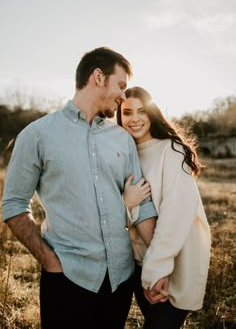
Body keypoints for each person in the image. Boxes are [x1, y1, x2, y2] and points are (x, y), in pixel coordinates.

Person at [1, 48, 158, 329]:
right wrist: (49, 261)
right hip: (66, 279)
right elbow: (13, 205)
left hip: (120, 279)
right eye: (120, 85)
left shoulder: (122, 139)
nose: (123, 96)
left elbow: (143, 204)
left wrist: (160, 263)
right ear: (98, 77)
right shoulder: (37, 135)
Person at [117, 86, 211, 329]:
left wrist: (157, 269)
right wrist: (126, 202)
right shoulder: (123, 155)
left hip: (173, 263)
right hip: (140, 264)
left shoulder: (170, 150)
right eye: (127, 112)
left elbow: (175, 217)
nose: (135, 119)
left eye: (142, 111)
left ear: (152, 113)